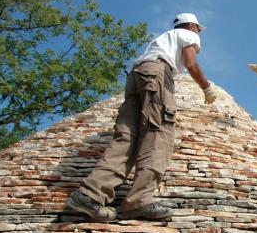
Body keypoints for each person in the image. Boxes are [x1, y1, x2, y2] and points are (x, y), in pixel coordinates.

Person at [67, 12, 217, 222]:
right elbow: (191, 63)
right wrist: (206, 87)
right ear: (192, 26)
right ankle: (139, 200)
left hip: (136, 76)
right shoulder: (187, 34)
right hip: (157, 74)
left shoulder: (160, 41)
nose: (199, 32)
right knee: (158, 134)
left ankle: (89, 195)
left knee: (126, 137)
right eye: (198, 28)